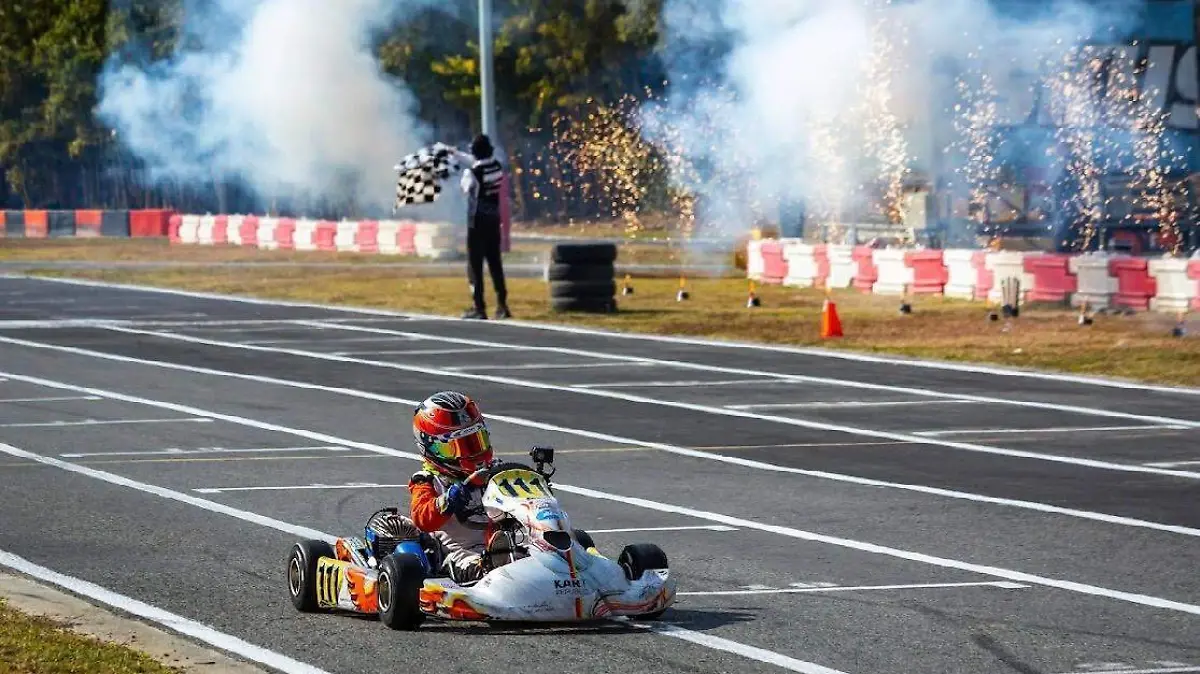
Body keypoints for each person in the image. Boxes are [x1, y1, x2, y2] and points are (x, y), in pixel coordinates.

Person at [364, 391, 499, 585]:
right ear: (433, 448)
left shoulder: (498, 472)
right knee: (486, 571)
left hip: (504, 543)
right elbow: (421, 518)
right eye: (459, 446)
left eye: (475, 442)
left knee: (539, 555)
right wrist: (449, 500)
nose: (471, 452)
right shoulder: (428, 481)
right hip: (459, 552)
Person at [459, 134, 510, 320]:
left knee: (475, 266)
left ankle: (479, 307)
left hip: (476, 222)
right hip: (493, 220)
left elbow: (465, 189)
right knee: (495, 264)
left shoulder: (471, 173)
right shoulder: (496, 166)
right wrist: (454, 153)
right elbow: (478, 163)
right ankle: (502, 305)